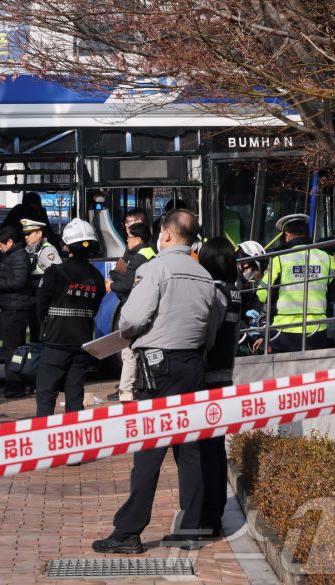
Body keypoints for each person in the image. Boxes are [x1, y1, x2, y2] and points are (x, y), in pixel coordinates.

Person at [92, 209, 224, 554]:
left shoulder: (156, 269)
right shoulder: (204, 275)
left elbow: (133, 317)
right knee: (190, 448)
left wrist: (132, 334)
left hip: (157, 366)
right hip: (193, 363)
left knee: (149, 449)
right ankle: (192, 528)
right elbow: (210, 329)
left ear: (165, 235)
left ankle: (128, 532)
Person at [34, 219, 105, 417]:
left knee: (46, 395)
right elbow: (95, 307)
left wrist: (42, 332)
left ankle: (44, 439)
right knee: (75, 397)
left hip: (56, 344)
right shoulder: (97, 277)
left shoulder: (54, 272)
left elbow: (40, 306)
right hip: (81, 345)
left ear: (66, 246)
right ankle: (75, 441)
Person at [198, 237, 242, 538]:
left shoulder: (215, 293)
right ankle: (214, 514)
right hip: (225, 374)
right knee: (215, 448)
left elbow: (207, 336)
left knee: (205, 451)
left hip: (208, 374)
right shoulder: (236, 292)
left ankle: (209, 515)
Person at [255, 214, 335, 353]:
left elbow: (263, 295)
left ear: (287, 235)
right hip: (318, 331)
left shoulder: (279, 260)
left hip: (284, 333)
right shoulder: (327, 259)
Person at [106, 222, 156, 402]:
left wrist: (111, 284)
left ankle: (126, 392)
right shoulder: (149, 252)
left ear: (139, 239)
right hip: (148, 305)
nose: (127, 241)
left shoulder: (138, 258)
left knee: (128, 352)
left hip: (136, 307)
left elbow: (127, 284)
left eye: (129, 238)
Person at [0, 226, 30, 398]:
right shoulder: (14, 256)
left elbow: (18, 282)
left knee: (12, 349)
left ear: (10, 242)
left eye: (0, 245)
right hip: (12, 306)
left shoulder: (18, 257)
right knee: (13, 348)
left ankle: (14, 386)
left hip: (15, 308)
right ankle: (17, 384)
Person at [21, 218, 62, 342]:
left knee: (41, 334)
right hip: (33, 299)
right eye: (25, 234)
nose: (26, 237)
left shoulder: (47, 250)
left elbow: (58, 274)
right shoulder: (30, 250)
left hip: (43, 300)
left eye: (29, 233)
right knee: (34, 333)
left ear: (39, 234)